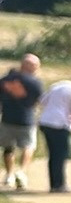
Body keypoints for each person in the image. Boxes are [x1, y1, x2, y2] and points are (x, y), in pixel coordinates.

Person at [36, 69, 71, 193]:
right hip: (60, 124)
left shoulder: (57, 85)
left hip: (46, 122)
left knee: (52, 155)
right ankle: (60, 184)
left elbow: (43, 101)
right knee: (60, 155)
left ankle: (53, 183)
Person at [0, 53, 44, 189]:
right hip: (26, 119)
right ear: (31, 66)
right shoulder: (35, 82)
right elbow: (40, 99)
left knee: (8, 148)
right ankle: (22, 171)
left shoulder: (5, 79)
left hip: (7, 118)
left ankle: (9, 175)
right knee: (28, 146)